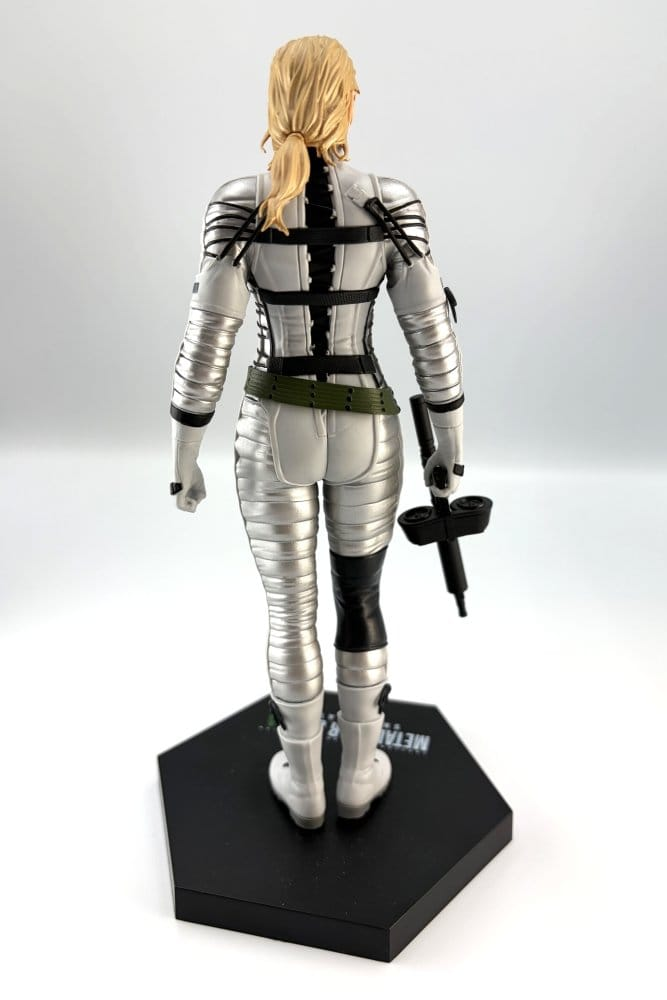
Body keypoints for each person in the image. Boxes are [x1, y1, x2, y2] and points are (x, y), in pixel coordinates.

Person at [169, 35, 464, 830]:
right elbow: (429, 328)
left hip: (272, 428)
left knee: (288, 612)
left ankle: (302, 781)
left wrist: (183, 455)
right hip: (368, 427)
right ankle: (358, 771)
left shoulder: (240, 203)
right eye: (353, 88)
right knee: (359, 599)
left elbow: (209, 335)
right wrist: (451, 444)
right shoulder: (391, 200)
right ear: (342, 99)